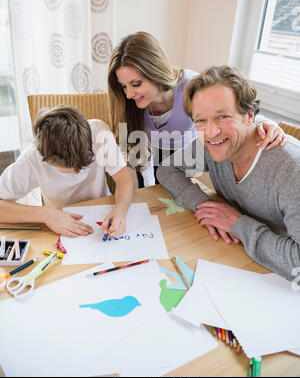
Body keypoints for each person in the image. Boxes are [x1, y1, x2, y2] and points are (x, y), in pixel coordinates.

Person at [156, 65, 300, 280]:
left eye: (223, 116)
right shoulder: (212, 143)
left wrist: (236, 223)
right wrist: (207, 208)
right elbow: (167, 170)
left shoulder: (290, 170)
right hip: (238, 262)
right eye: (200, 120)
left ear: (249, 116)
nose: (211, 132)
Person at [107, 31, 287, 187]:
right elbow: (136, 154)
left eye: (136, 84)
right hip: (149, 152)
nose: (129, 94)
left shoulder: (191, 86)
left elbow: (237, 112)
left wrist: (265, 122)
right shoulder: (128, 103)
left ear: (155, 71)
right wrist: (146, 185)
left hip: (188, 154)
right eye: (124, 86)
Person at [0, 105, 134, 238]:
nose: (77, 174)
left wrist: (120, 211)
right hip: (61, 224)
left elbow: (123, 178)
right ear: (46, 159)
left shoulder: (99, 133)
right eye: (69, 170)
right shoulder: (31, 160)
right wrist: (45, 214)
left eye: (83, 166)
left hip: (103, 211)